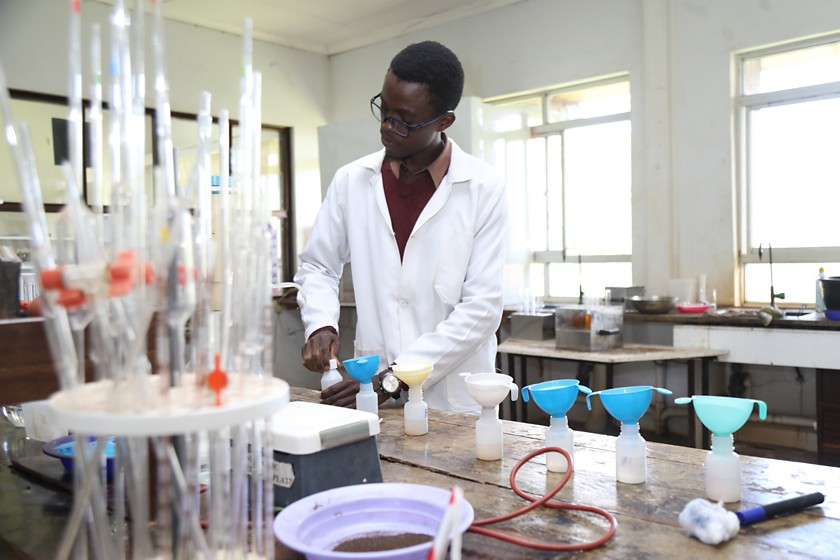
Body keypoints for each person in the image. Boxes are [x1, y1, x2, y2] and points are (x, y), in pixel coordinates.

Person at [295, 40, 507, 414]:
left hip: (453, 402)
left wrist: (394, 379)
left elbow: (482, 309)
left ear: (444, 121)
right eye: (384, 110)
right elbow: (318, 266)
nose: (388, 128)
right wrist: (320, 325)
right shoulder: (351, 181)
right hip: (371, 393)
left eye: (405, 120)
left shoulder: (483, 189)